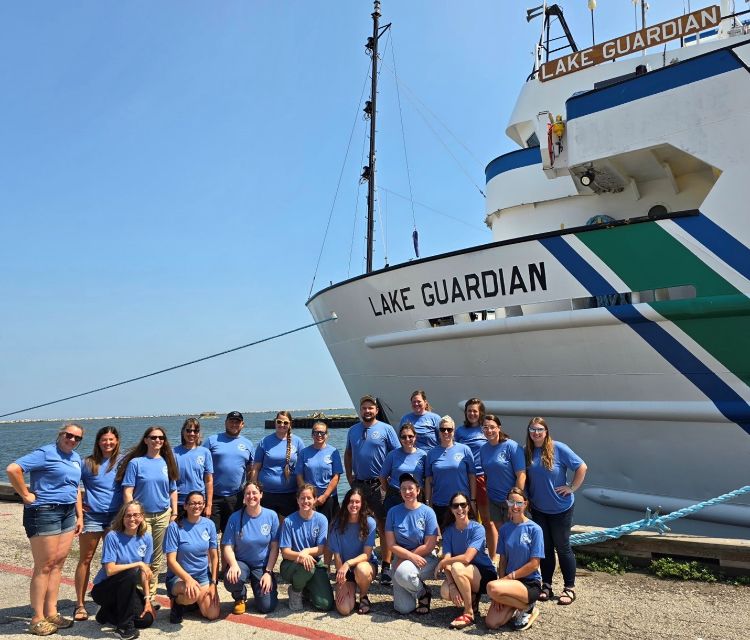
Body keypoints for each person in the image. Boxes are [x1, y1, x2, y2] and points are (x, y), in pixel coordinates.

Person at [6, 424, 85, 636]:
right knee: (44, 565)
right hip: (44, 512)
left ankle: (52, 612)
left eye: (77, 438)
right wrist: (25, 494)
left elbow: (75, 487)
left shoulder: (76, 458)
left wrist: (79, 515)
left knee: (58, 563)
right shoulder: (45, 453)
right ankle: (37, 618)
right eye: (68, 435)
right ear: (60, 434)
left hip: (67, 513)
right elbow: (13, 469)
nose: (72, 439)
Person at [525, 417, 587, 606]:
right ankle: (547, 584)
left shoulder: (558, 448)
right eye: (532, 429)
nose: (536, 433)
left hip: (561, 508)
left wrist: (571, 488)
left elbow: (581, 466)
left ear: (546, 431)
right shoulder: (527, 451)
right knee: (545, 549)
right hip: (539, 508)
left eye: (539, 429)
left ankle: (569, 587)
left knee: (563, 546)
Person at [118, 425, 179, 602]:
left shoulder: (167, 462)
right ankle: (138, 592)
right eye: (153, 437)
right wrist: (132, 514)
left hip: (162, 515)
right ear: (146, 440)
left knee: (157, 557)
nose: (157, 440)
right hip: (141, 517)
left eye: (161, 437)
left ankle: (150, 595)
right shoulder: (136, 463)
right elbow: (128, 490)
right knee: (141, 554)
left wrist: (174, 513)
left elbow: (172, 490)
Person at [344, 395, 399, 585]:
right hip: (359, 484)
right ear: (360, 410)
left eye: (371, 408)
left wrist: (390, 477)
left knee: (384, 526)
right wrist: (349, 477)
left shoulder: (386, 429)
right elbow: (348, 453)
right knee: (357, 523)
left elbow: (396, 453)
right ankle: (361, 561)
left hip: (379, 485)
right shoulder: (353, 430)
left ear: (376, 410)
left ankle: (386, 566)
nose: (367, 411)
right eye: (364, 408)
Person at [75, 426, 124, 621]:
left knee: (117, 560)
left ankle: (117, 599)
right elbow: (76, 489)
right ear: (98, 442)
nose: (108, 443)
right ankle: (80, 604)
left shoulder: (123, 461)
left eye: (111, 439)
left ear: (117, 441)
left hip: (116, 517)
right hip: (93, 517)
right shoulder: (87, 463)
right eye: (104, 440)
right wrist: (79, 513)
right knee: (86, 559)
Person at [91, 500, 155, 640]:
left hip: (127, 589)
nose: (132, 519)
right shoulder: (113, 536)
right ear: (122, 517)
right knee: (130, 573)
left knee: (146, 620)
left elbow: (145, 573)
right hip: (105, 589)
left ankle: (106, 612)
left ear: (142, 516)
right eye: (128, 515)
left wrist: (147, 599)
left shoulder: (147, 538)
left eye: (136, 515)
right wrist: (138, 563)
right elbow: (110, 570)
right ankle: (123, 628)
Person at [485, 487, 544, 631]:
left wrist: (505, 581)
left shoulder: (535, 529)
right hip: (511, 582)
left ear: (525, 504)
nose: (515, 506)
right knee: (491, 623)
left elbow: (534, 565)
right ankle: (521, 606)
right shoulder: (505, 529)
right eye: (511, 503)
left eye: (518, 503)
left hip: (529, 583)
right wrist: (501, 585)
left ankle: (528, 607)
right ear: (507, 504)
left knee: (491, 587)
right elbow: (503, 561)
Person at [436, 491, 497, 630]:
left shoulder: (478, 528)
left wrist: (444, 562)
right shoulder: (448, 531)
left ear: (469, 507)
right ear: (451, 509)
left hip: (484, 576)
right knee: (445, 591)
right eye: (455, 506)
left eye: (463, 505)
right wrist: (451, 585)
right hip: (463, 573)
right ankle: (472, 598)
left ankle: (468, 612)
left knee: (457, 566)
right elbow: (447, 559)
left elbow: (467, 558)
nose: (459, 509)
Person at [385, 473, 439, 615]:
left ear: (418, 490)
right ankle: (421, 590)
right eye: (403, 489)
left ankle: (420, 590)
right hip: (402, 557)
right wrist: (407, 557)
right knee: (403, 609)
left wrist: (407, 558)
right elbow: (391, 544)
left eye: (410, 488)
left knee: (403, 574)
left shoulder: (428, 512)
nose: (407, 492)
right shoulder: (393, 512)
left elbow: (429, 545)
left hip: (424, 557)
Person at [222, 481, 280, 614]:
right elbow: (228, 547)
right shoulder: (235, 517)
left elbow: (274, 547)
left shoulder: (271, 516)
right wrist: (233, 565)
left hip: (262, 565)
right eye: (247, 493)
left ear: (261, 495)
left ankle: (261, 588)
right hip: (242, 563)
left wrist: (268, 572)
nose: (251, 496)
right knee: (232, 579)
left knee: (266, 607)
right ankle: (239, 597)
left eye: (254, 493)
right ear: (244, 497)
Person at [164, 491, 220, 623]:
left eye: (200, 503)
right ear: (185, 506)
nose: (197, 506)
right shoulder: (175, 527)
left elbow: (214, 556)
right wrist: (188, 579)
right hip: (179, 578)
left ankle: (192, 603)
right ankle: (177, 602)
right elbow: (171, 561)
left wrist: (213, 583)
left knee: (212, 614)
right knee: (193, 593)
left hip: (202, 576)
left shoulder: (209, 525)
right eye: (193, 503)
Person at [279, 484, 333, 612]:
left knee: (325, 604)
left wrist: (306, 552)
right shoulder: (289, 521)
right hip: (292, 564)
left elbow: (321, 549)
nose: (306, 501)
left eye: (309, 498)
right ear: (297, 500)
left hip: (314, 562)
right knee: (308, 568)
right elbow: (285, 552)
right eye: (302, 498)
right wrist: (301, 556)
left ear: (315, 500)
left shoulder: (321, 519)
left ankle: (307, 587)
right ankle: (296, 591)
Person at [479, 413, 526, 561]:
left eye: (492, 427)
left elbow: (521, 475)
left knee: (516, 534)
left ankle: (522, 566)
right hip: (494, 499)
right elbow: (486, 474)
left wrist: (515, 502)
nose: (489, 430)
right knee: (503, 534)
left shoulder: (512, 446)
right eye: (485, 427)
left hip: (510, 501)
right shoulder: (483, 449)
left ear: (499, 428)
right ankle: (506, 564)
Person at [328, 487, 378, 616]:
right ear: (345, 503)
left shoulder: (370, 522)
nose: (354, 505)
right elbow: (337, 556)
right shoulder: (336, 524)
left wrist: (348, 563)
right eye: (351, 501)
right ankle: (350, 590)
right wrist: (342, 583)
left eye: (357, 502)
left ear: (362, 504)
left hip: (365, 566)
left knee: (361, 569)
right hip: (345, 570)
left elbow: (366, 555)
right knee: (344, 610)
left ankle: (363, 596)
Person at [204, 411, 254, 536]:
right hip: (213, 497)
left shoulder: (248, 444)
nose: (234, 424)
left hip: (235, 497)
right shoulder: (212, 440)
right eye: (231, 421)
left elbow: (251, 470)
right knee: (210, 535)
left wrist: (248, 491)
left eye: (237, 422)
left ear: (242, 424)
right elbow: (200, 464)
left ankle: (229, 556)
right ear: (225, 423)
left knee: (232, 535)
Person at [252, 411, 304, 522]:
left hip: (290, 494)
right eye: (279, 421)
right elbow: (256, 468)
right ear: (275, 422)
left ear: (290, 424)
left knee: (286, 528)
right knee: (267, 527)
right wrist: (252, 489)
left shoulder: (298, 442)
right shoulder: (264, 442)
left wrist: (303, 491)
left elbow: (302, 469)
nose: (282, 425)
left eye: (285, 422)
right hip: (267, 493)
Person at [424, 416, 476, 525]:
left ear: (454, 431)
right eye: (442, 429)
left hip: (461, 503)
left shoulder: (465, 450)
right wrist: (428, 502)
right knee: (443, 538)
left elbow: (472, 476)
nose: (446, 432)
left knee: (464, 536)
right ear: (439, 432)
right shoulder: (431, 453)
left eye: (449, 429)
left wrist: (472, 500)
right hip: (440, 503)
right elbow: (429, 480)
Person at [455, 399, 492, 554]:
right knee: (466, 515)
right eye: (469, 411)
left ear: (481, 412)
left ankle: (491, 553)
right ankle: (468, 549)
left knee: (485, 517)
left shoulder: (485, 430)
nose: (472, 414)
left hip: (481, 477)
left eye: (475, 411)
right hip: (464, 478)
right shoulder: (460, 431)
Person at [295, 420, 342, 524]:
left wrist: (324, 497)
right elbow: (299, 475)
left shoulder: (333, 452)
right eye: (316, 432)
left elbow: (336, 477)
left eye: (322, 432)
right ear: (312, 434)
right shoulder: (304, 453)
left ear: (327, 435)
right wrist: (307, 496)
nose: (319, 435)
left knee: (329, 529)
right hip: (308, 500)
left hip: (328, 498)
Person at [379, 422, 426, 514]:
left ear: (415, 437)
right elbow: (382, 476)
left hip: (416, 496)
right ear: (400, 438)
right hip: (395, 496)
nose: (407, 439)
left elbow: (427, 478)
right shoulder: (392, 455)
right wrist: (390, 491)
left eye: (410, 436)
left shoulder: (423, 455)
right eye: (403, 437)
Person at [173, 418, 214, 516]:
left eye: (195, 431)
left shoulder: (205, 452)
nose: (192, 433)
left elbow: (209, 481)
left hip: (199, 502)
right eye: (188, 430)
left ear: (199, 433)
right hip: (179, 503)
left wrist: (209, 505)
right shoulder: (173, 453)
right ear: (183, 432)